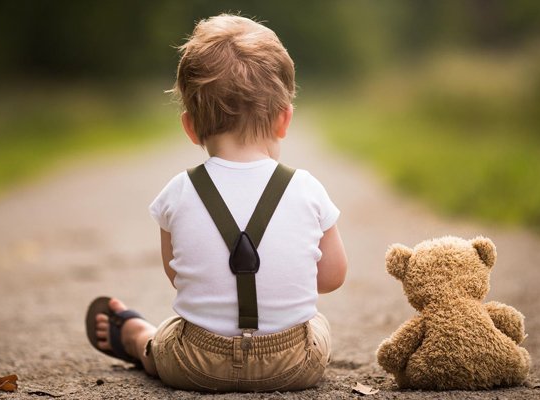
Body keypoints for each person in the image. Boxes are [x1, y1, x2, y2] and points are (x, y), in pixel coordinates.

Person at [85, 14, 348, 392]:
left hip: (195, 363)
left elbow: (181, 277)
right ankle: (148, 338)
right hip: (293, 363)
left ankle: (138, 339)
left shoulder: (177, 192)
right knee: (316, 323)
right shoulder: (307, 188)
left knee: (171, 334)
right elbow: (331, 278)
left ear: (190, 126)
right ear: (284, 120)